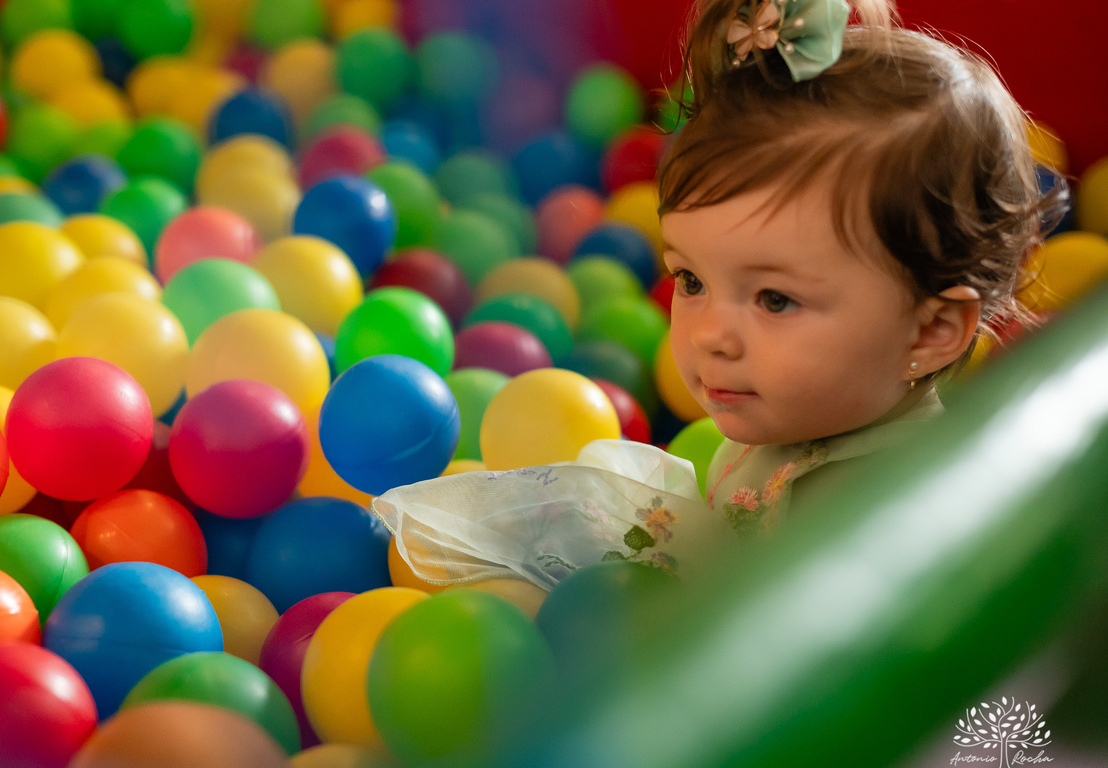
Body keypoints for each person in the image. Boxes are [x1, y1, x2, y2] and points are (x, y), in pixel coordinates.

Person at [373, 0, 1066, 589]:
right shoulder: (800, 410)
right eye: (692, 280)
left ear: (930, 331)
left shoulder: (883, 518)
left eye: (774, 300)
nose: (708, 334)